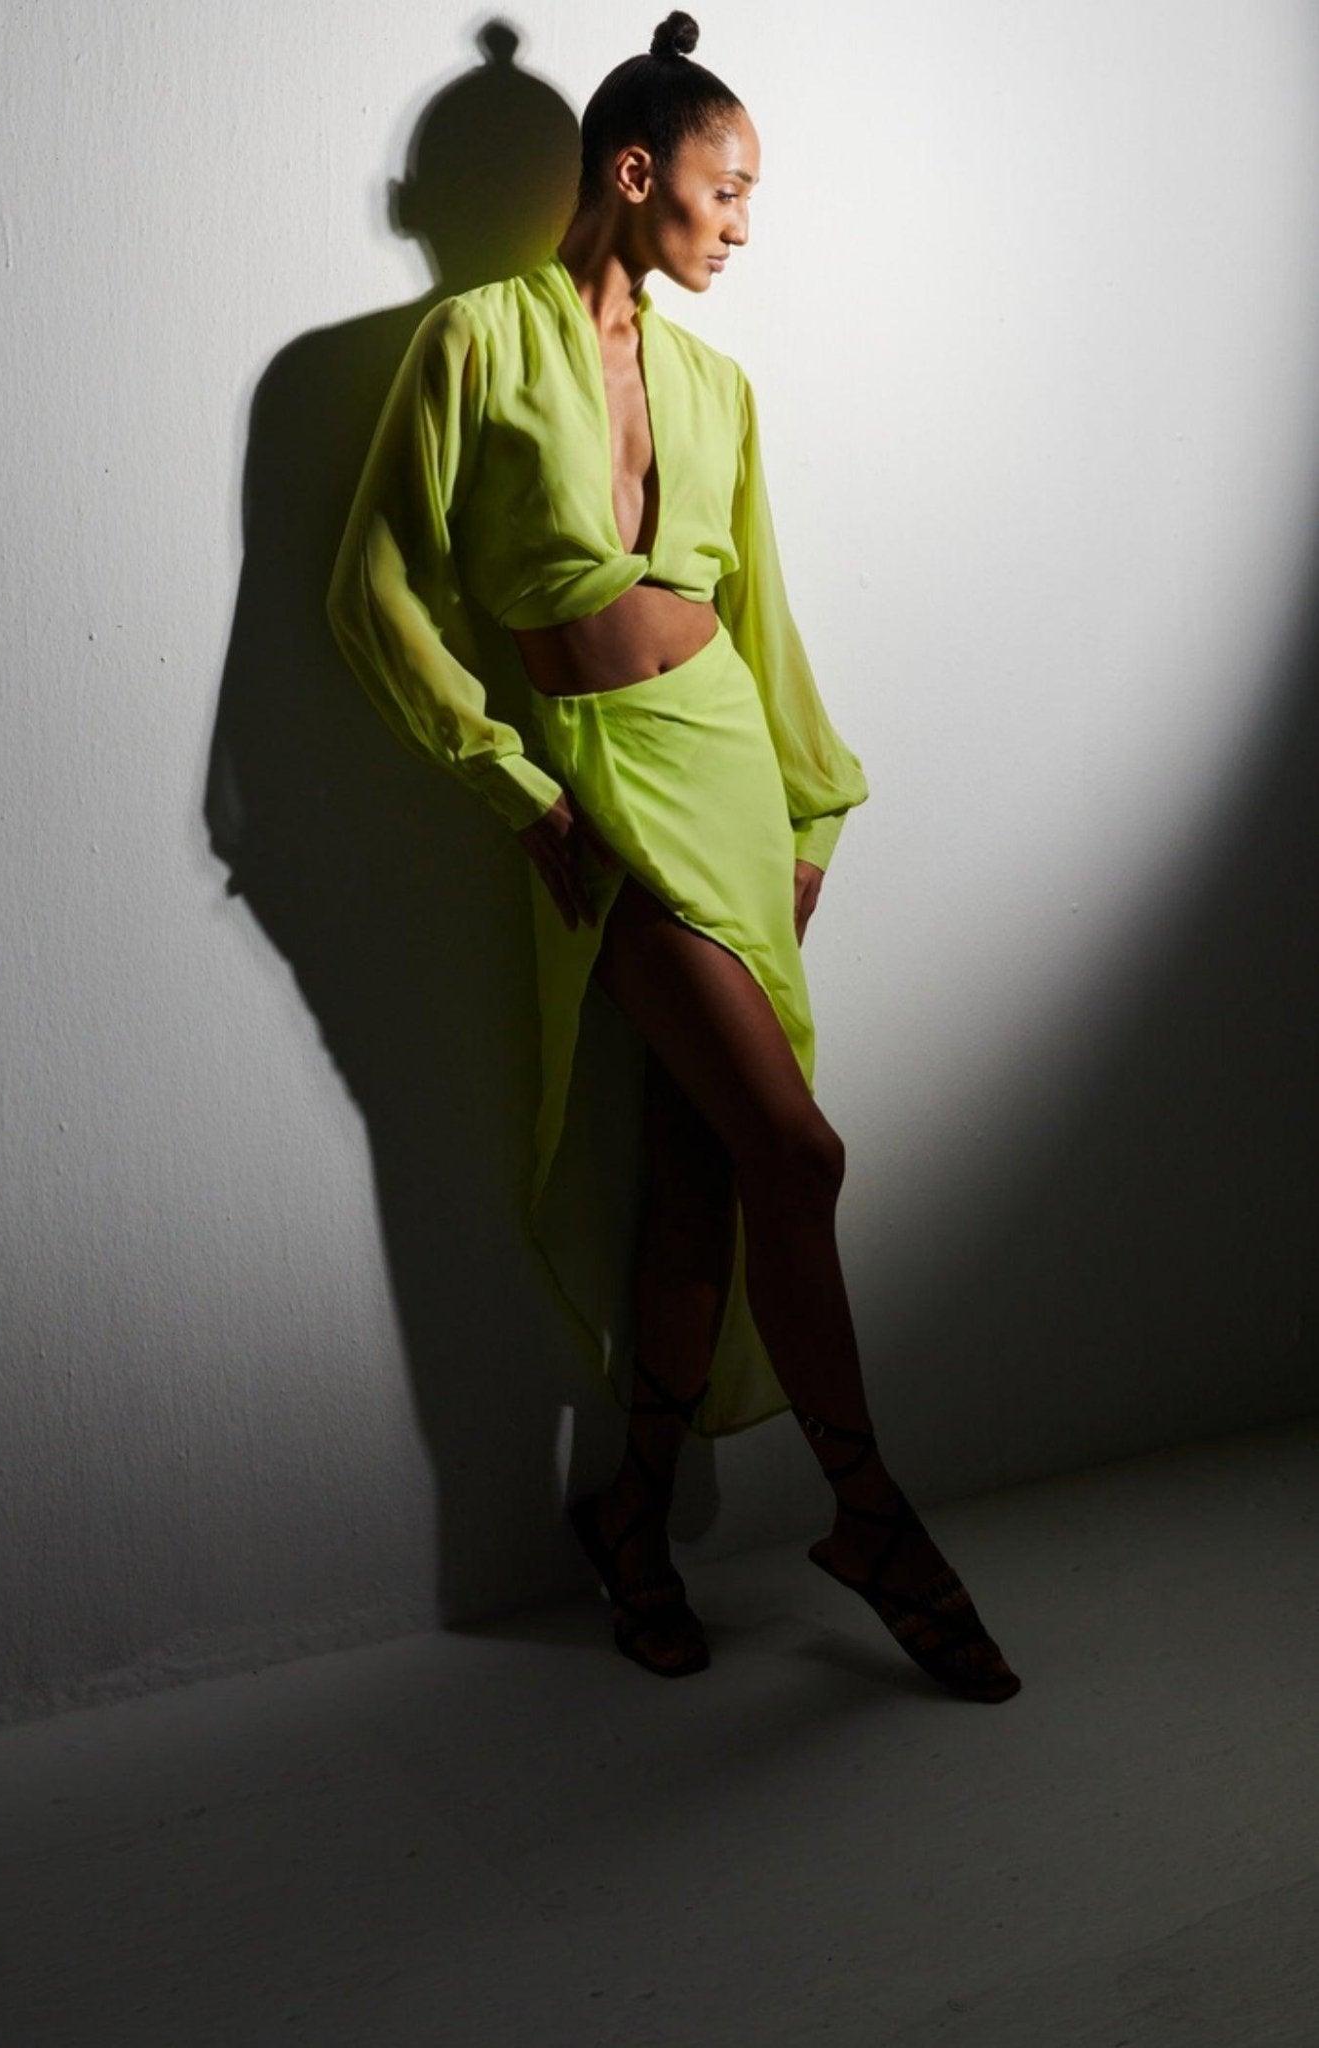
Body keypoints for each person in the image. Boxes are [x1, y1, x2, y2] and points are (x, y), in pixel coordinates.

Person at [327, 11, 1021, 1702]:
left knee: (704, 1170)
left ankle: (631, 1516)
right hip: (594, 790)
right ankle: (868, 1513)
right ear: (634, 173)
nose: (743, 227)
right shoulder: (476, 342)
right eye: (727, 189)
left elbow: (756, 616)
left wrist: (808, 810)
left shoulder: (719, 387)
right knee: (797, 1150)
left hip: (725, 777)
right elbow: (376, 590)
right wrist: (514, 788)